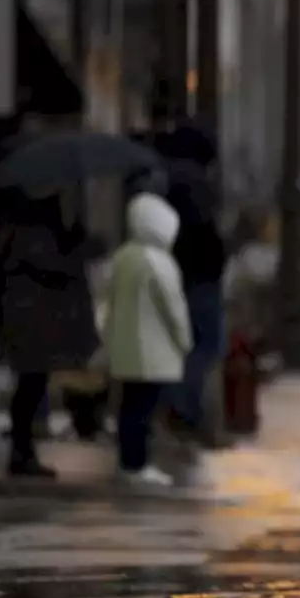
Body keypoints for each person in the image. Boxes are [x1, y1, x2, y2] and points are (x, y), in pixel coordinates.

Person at [0, 191, 99, 478]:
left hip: (25, 324)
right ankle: (21, 452)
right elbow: (55, 269)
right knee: (30, 387)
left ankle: (22, 451)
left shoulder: (15, 234)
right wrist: (75, 241)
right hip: (32, 326)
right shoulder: (33, 237)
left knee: (29, 386)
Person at [103, 193, 191, 486]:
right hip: (153, 351)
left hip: (125, 347)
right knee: (144, 408)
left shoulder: (123, 257)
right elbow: (173, 307)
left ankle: (128, 461)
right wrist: (185, 340)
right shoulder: (159, 262)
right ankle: (137, 465)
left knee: (129, 406)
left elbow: (108, 300)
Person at [157, 123, 228, 443]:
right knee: (205, 344)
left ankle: (177, 408)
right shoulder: (196, 184)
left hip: (174, 273)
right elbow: (202, 233)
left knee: (179, 343)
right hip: (198, 276)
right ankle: (185, 410)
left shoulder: (163, 179)